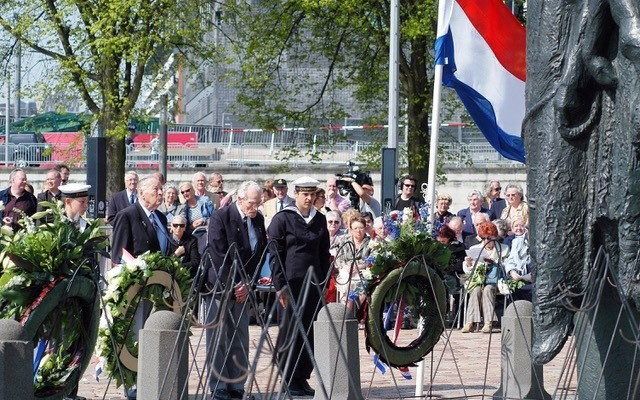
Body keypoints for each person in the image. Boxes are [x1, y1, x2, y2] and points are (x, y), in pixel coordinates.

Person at [268, 176, 331, 397]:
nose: (308, 198)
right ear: (296, 194)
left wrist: (324, 281)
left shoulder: (320, 220)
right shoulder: (283, 218)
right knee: (290, 331)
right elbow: (275, 255)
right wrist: (280, 285)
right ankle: (288, 376)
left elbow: (324, 253)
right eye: (304, 194)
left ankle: (302, 376)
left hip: (313, 284)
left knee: (311, 331)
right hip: (291, 284)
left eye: (312, 194)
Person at [205, 181, 267, 400]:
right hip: (220, 287)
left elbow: (260, 254)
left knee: (240, 336)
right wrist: (234, 284)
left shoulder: (258, 219)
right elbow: (218, 253)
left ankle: (237, 385)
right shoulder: (220, 217)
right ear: (240, 199)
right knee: (218, 338)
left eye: (259, 203)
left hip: (244, 288)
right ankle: (219, 385)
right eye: (252, 203)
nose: (256, 207)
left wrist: (249, 283)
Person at [57, 183, 91, 400]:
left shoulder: (87, 227)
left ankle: (72, 390)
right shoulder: (53, 224)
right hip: (60, 297)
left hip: (81, 296)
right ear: (68, 202)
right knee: (59, 343)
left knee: (78, 343)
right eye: (82, 202)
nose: (86, 206)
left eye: (87, 201)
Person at [111, 175, 172, 263]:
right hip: (138, 274)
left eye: (161, 189)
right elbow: (118, 254)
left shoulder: (161, 217)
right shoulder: (126, 216)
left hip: (161, 273)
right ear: (142, 193)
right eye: (155, 189)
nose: (160, 193)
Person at [462, 222, 509, 334]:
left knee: (488, 289)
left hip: (495, 281)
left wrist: (495, 263)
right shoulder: (475, 248)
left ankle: (488, 322)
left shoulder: (504, 248)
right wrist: (468, 264)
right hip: (479, 280)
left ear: (495, 237)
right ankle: (470, 322)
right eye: (484, 238)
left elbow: (507, 266)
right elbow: (469, 270)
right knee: (476, 290)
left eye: (490, 238)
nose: (487, 240)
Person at [335, 215, 371, 304]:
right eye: (355, 228)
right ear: (350, 230)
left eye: (361, 228)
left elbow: (371, 260)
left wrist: (359, 266)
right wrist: (347, 267)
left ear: (365, 228)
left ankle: (361, 315)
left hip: (363, 273)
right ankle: (346, 313)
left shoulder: (370, 242)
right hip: (346, 272)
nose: (358, 231)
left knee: (361, 286)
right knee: (346, 285)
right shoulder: (344, 241)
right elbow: (338, 259)